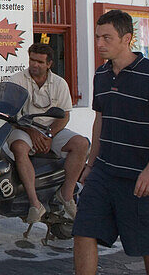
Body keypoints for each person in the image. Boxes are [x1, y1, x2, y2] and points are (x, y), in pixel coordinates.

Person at [41, 10, 149, 275]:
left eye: (107, 38)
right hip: (104, 172)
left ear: (127, 39)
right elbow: (101, 119)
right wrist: (91, 163)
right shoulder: (102, 76)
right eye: (98, 37)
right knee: (83, 232)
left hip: (140, 177)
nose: (100, 43)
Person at [7, 43, 90, 223]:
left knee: (82, 144)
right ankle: (34, 203)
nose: (34, 64)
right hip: (24, 128)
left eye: (39, 61)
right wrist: (31, 131)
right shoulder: (17, 80)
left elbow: (64, 115)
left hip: (51, 130)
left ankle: (66, 194)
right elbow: (11, 114)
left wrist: (49, 135)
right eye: (31, 60)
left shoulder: (60, 83)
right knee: (19, 148)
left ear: (49, 64)